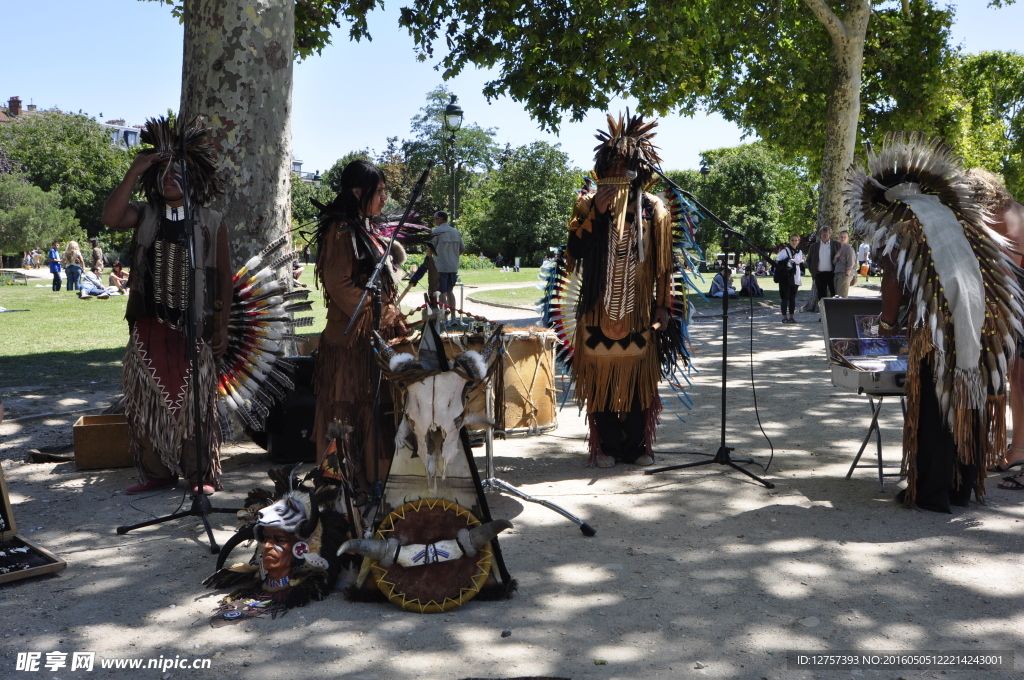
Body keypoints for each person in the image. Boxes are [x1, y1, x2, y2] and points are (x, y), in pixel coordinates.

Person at [847, 133, 1023, 512]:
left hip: (938, 325)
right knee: (969, 395)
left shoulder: (902, 217)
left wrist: (888, 323)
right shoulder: (952, 213)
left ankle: (932, 491)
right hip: (987, 317)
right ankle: (963, 485)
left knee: (934, 401)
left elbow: (893, 277)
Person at [100, 115, 231, 496]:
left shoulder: (211, 221)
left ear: (195, 180)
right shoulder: (144, 214)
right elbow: (110, 217)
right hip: (149, 325)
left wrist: (221, 327)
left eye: (179, 172)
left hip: (197, 327)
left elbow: (224, 277)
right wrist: (135, 167)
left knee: (196, 402)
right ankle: (156, 471)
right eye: (162, 172)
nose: (168, 178)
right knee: (145, 400)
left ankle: (199, 473)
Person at [562, 112, 681, 469]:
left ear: (638, 167)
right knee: (598, 377)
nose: (618, 166)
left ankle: (635, 447)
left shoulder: (654, 209)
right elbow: (573, 254)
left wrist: (665, 306)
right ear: (602, 165)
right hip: (597, 310)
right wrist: (595, 215)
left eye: (625, 161)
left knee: (637, 379)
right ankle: (608, 446)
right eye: (612, 160)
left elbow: (665, 265)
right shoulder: (586, 204)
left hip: (639, 311)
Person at [311, 159, 409, 492]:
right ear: (358, 192)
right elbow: (339, 285)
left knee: (372, 409)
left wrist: (392, 311)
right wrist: (383, 313)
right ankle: (341, 484)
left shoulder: (360, 227)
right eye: (379, 191)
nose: (384, 198)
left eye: (384, 190)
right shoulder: (341, 231)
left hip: (366, 341)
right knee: (345, 412)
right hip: (348, 342)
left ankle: (372, 479)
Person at [430, 210, 465, 323]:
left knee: (442, 293)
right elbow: (462, 249)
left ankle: (445, 318)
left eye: (435, 218)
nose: (434, 221)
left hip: (440, 267)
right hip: (453, 267)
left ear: (440, 219)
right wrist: (454, 257)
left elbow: (430, 249)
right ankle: (454, 318)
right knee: (450, 292)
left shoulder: (436, 232)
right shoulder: (455, 232)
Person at [805, 226, 840, 305]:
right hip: (819, 274)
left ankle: (834, 314)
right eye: (823, 233)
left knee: (835, 295)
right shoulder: (814, 246)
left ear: (830, 234)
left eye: (826, 232)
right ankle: (822, 316)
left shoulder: (836, 244)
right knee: (821, 297)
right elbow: (808, 260)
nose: (825, 234)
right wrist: (813, 271)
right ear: (820, 234)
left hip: (833, 274)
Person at [775, 234, 804, 323]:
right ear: (789, 241)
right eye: (792, 240)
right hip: (786, 277)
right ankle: (784, 317)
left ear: (798, 241)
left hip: (796, 277)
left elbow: (800, 263)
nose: (794, 242)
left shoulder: (799, 251)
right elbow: (777, 262)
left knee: (792, 297)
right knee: (785, 297)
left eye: (796, 240)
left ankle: (791, 316)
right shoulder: (785, 251)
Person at [833, 230, 857, 298]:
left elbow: (851, 261)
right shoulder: (839, 249)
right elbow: (834, 263)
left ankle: (842, 308)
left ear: (847, 238)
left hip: (844, 274)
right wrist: (835, 258)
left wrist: (847, 272)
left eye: (845, 237)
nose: (843, 238)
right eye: (841, 237)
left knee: (842, 295)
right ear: (839, 238)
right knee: (837, 294)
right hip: (837, 272)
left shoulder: (849, 249)